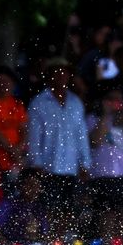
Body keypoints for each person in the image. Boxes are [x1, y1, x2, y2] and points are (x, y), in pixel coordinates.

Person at [26, 57, 91, 234]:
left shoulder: (75, 103)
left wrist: (85, 163)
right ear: (49, 75)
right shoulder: (38, 103)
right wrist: (36, 163)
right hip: (47, 167)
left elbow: (81, 135)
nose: (61, 76)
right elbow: (33, 136)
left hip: (70, 167)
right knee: (47, 210)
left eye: (64, 72)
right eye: (57, 72)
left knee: (68, 210)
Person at [86, 84, 123, 240]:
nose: (116, 103)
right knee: (105, 221)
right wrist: (106, 116)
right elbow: (95, 141)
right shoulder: (93, 118)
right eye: (111, 99)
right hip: (102, 178)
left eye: (119, 100)